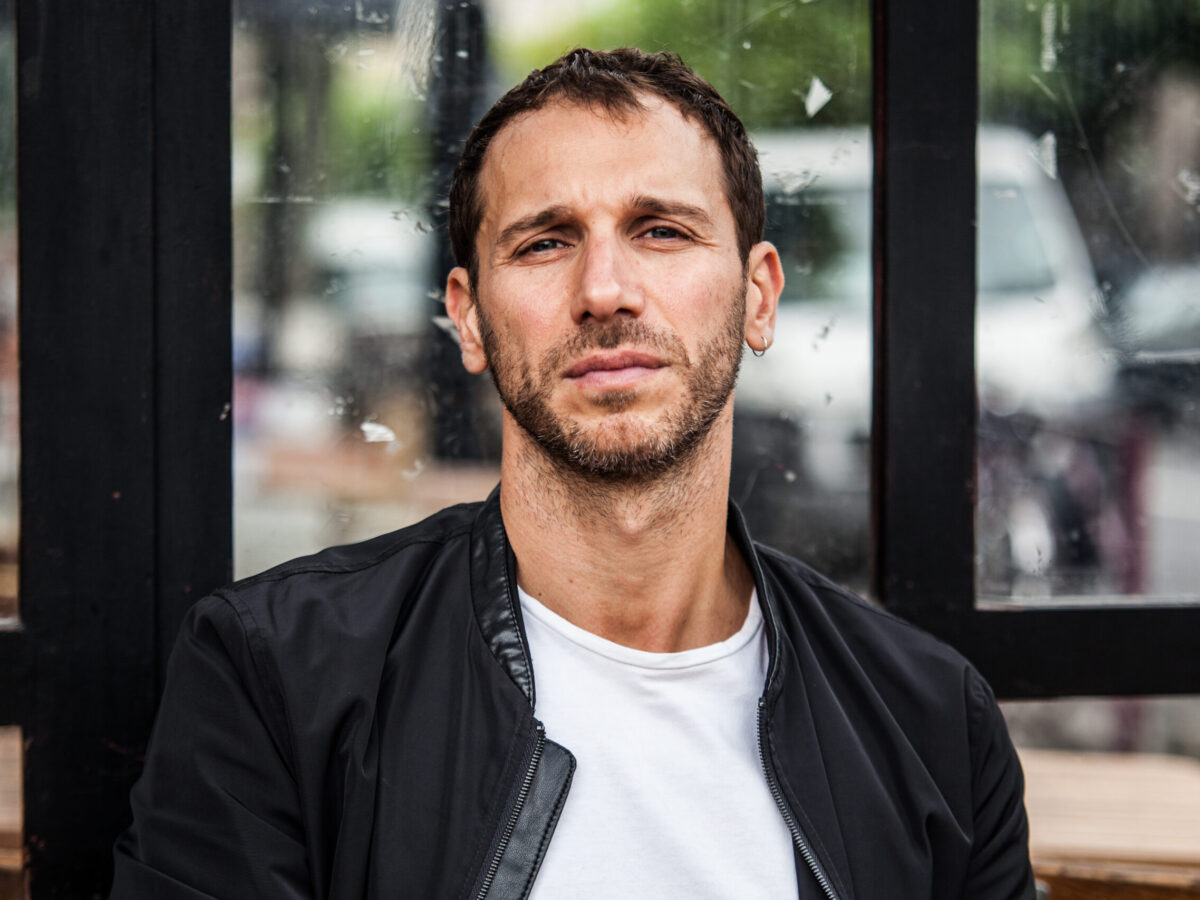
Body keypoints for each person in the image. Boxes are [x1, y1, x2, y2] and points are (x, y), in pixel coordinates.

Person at [111, 47, 1034, 899]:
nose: (604, 289)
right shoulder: (274, 678)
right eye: (545, 242)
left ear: (758, 297)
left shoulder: (935, 727)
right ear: (469, 319)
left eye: (663, 231)